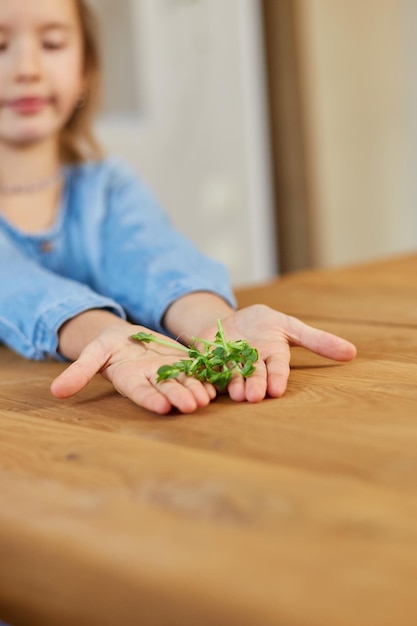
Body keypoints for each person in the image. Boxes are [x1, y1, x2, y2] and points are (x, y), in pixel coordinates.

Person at [0, 0, 356, 415]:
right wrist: (103, 332)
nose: (27, 68)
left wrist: (213, 324)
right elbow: (12, 282)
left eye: (53, 43)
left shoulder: (110, 186)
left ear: (85, 70)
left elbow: (154, 259)